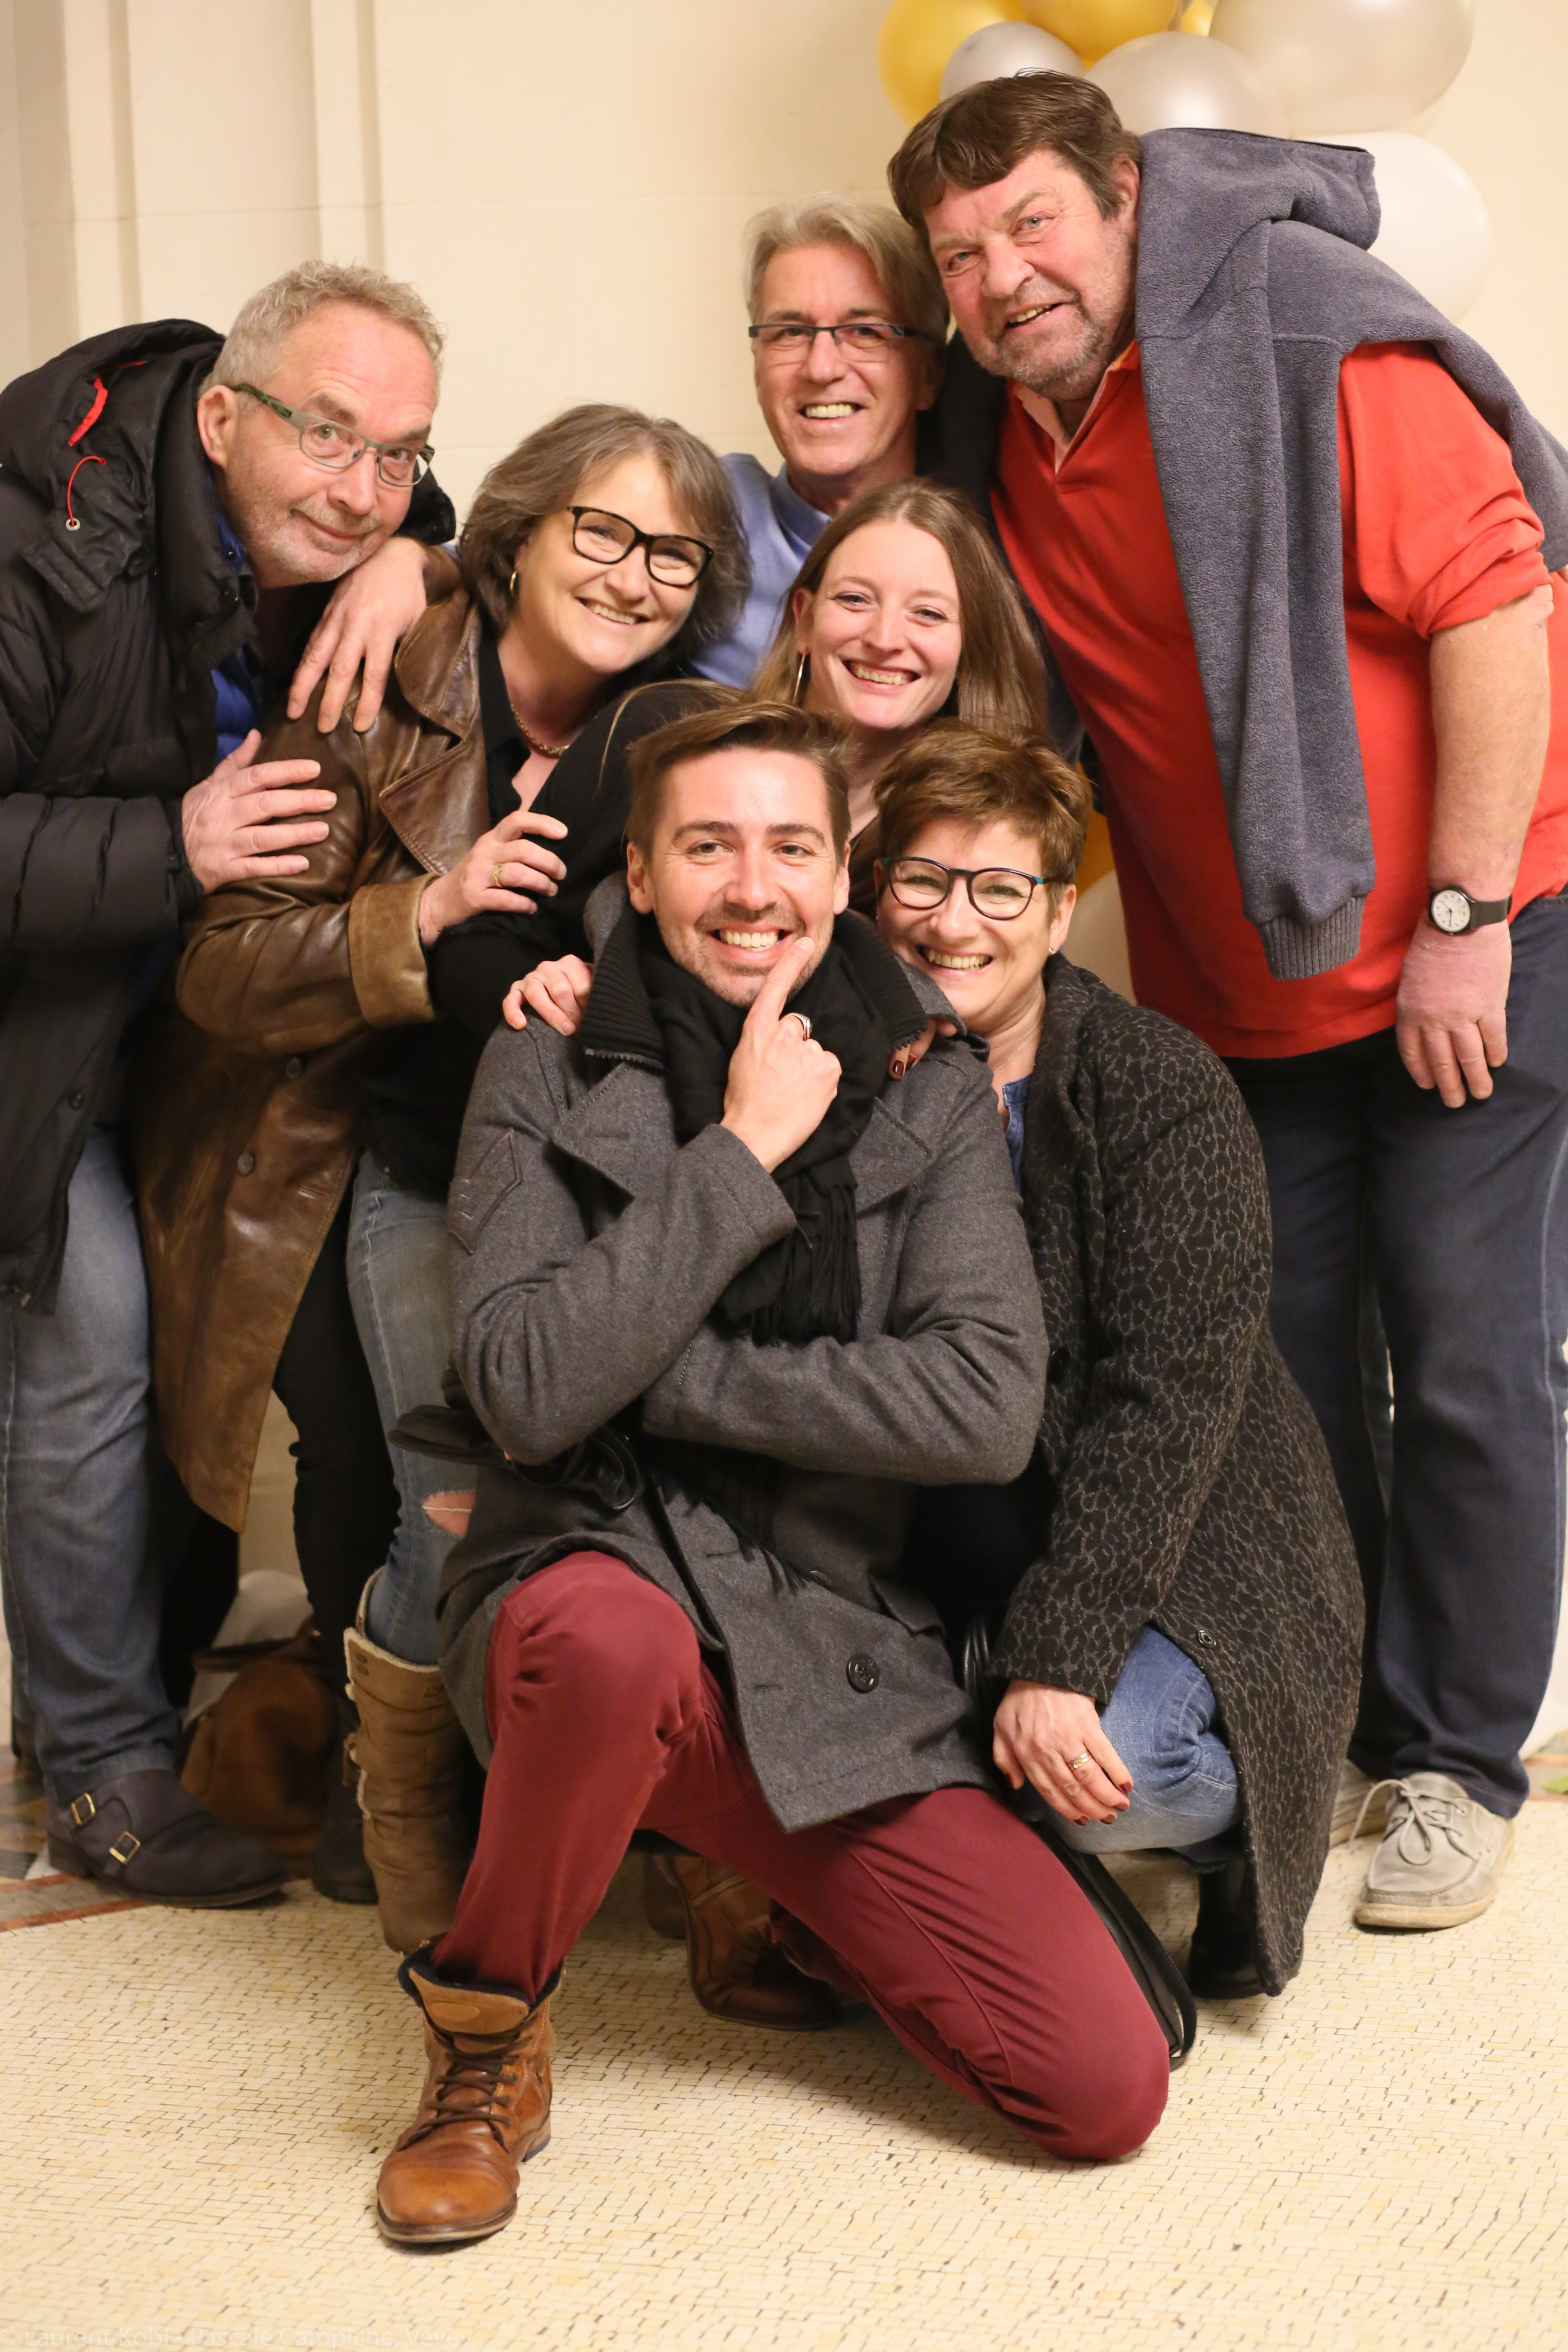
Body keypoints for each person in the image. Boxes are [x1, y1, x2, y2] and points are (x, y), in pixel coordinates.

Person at [889, 74, 1568, 1933]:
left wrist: (1463, 917)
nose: (1003, 276)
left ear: (1125, 198)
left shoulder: (1308, 333)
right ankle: (1327, 1710)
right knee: (1281, 1377)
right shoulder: (997, 432)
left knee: (1469, 1353)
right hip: (1241, 986)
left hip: (1471, 930)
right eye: (962, 252)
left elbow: (1499, 608)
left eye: (1033, 222)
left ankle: (1457, 1762)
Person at [370, 697, 1168, 2247]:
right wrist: (739, 1154)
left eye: (791, 846)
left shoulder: (929, 1078)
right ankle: (482, 2037)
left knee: (1099, 2083)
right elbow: (523, 1387)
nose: (754, 886)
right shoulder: (544, 1054)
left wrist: (647, 1379)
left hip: (824, 1645)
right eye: (708, 847)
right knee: (608, 1637)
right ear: (643, 876)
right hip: (596, 1589)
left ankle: (758, 1875)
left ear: (840, 871)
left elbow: (980, 1408)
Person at [136, 403, 746, 1944]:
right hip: (328, 1132)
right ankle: (392, 1791)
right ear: (520, 537)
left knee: (585, 1480)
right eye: (600, 531)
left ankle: (572, 1795)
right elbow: (220, 966)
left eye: (673, 553)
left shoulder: (672, 728)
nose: (632, 573)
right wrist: (424, 915)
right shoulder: (372, 682)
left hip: (565, 1162)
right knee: (407, 1476)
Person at [0, 259, 457, 1908]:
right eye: (329, 437)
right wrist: (170, 844)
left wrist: (417, 552)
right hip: (28, 1026)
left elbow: (428, 512)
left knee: (212, 1330)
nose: (360, 484)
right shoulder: (33, 544)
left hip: (172, 1024)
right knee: (91, 1341)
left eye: (399, 453)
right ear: (218, 421)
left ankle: (136, 1688)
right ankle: (103, 1774)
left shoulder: (333, 526)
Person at [872, 725, 1362, 1997]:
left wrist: (1059, 1660)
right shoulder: (836, 1073)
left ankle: (1230, 1828)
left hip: (1186, 1537)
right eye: (922, 880)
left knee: (1112, 1775)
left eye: (1000, 889)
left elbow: (1165, 1406)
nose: (953, 922)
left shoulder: (1154, 1087)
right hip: (942, 1550)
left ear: (1056, 914)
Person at [692, 198, 945, 686]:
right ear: (757, 368)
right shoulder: (698, 516)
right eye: (790, 332)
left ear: (929, 375)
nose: (821, 368)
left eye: (865, 331)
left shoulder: (989, 550)